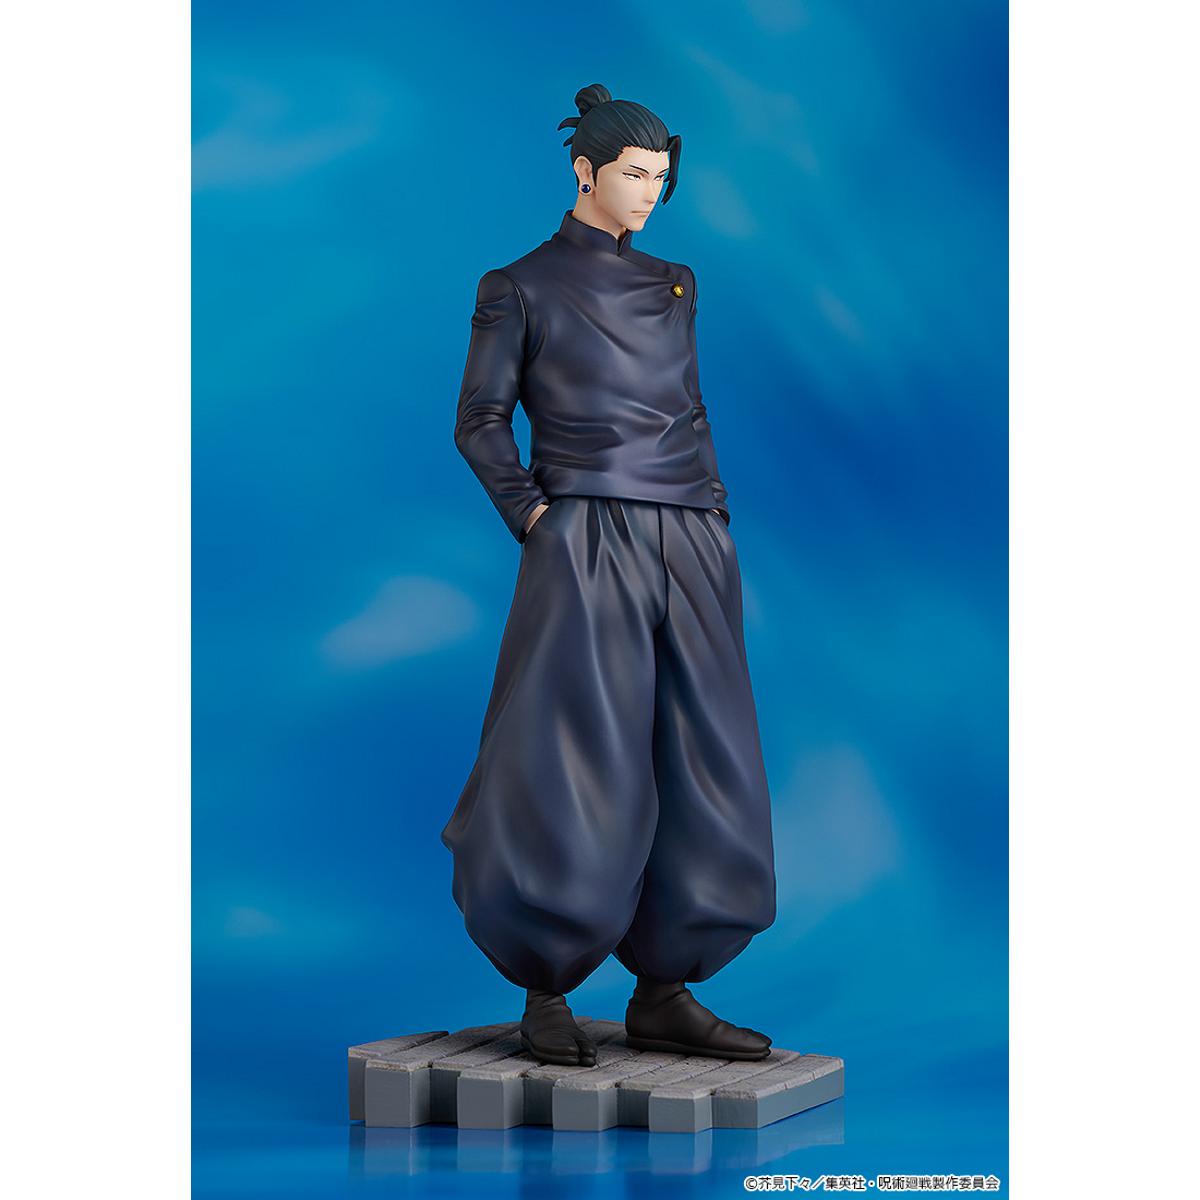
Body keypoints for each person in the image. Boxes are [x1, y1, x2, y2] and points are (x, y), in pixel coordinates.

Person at [441, 84, 776, 1068]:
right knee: (569, 747)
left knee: (702, 751)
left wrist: (711, 516)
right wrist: (535, 517)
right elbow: (479, 419)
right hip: (584, 531)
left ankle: (665, 988)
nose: (649, 195)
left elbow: (688, 406)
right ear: (583, 170)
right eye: (634, 174)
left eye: (662, 179)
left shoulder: (677, 283)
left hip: (691, 533)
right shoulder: (518, 285)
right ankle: (544, 985)